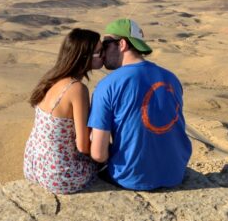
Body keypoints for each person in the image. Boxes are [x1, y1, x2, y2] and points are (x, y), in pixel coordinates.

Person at [89, 18, 192, 190]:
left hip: (131, 178)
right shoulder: (171, 78)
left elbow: (99, 155)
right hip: (175, 173)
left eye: (105, 44)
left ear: (122, 44)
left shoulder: (108, 85)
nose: (102, 52)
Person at [24, 28, 103, 194]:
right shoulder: (77, 89)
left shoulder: (52, 79)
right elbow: (83, 146)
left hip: (34, 165)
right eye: (99, 52)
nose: (103, 55)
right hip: (59, 175)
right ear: (84, 56)